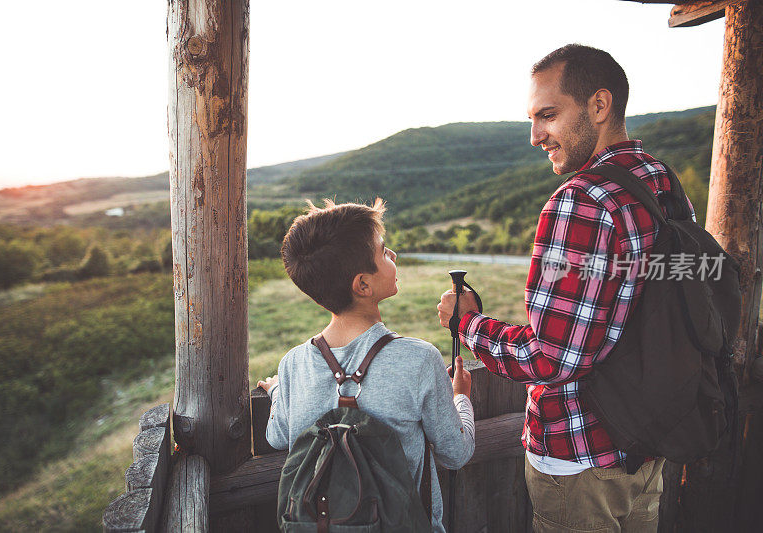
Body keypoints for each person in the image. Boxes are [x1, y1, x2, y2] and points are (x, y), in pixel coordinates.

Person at [437, 44, 696, 533]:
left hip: (580, 457)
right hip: (649, 443)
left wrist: (467, 324)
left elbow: (551, 358)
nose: (535, 136)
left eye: (548, 115)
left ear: (599, 106)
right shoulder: (663, 181)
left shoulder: (580, 202)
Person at [259, 198, 475, 532]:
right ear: (363, 284)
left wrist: (277, 391)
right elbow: (455, 453)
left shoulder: (292, 365)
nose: (393, 256)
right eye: (384, 250)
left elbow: (277, 436)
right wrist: (460, 398)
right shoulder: (419, 360)